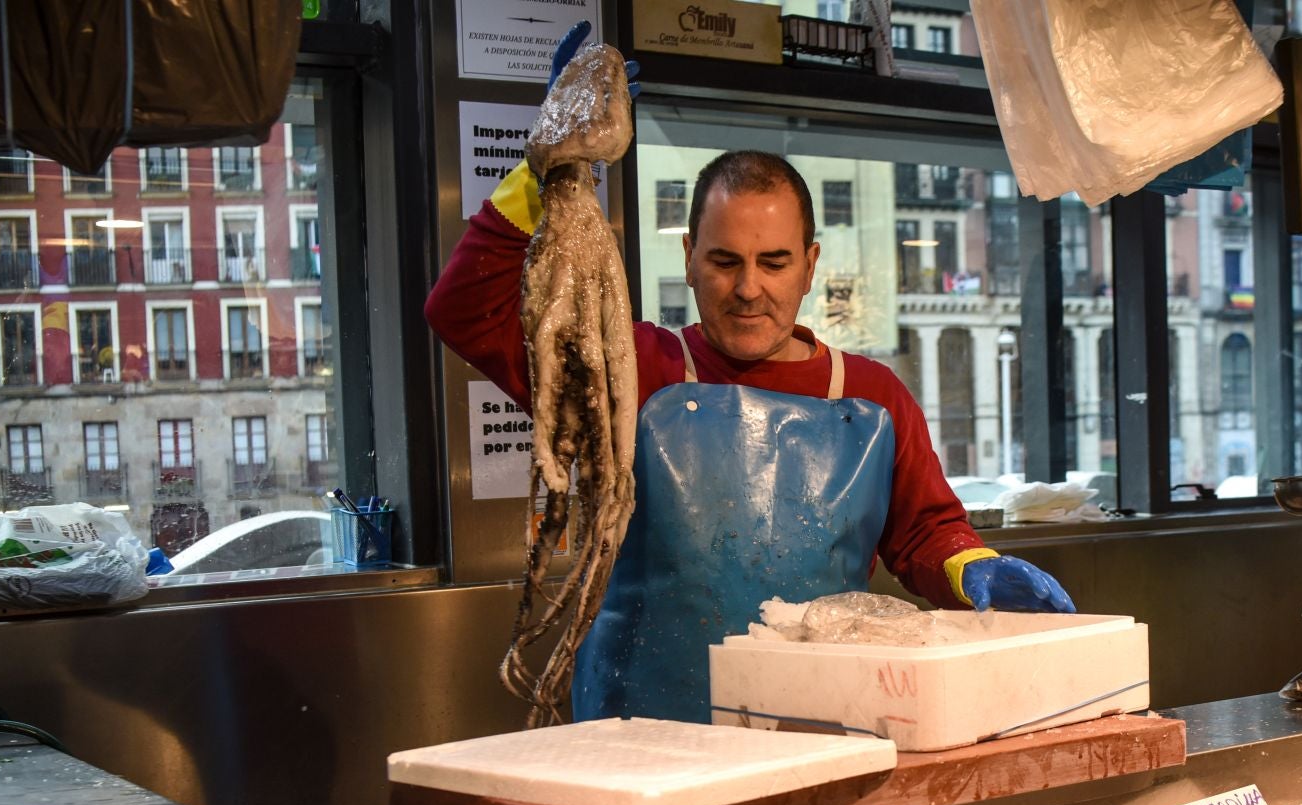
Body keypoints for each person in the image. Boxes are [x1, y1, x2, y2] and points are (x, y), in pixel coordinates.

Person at [425, 22, 1076, 723]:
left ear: (810, 266)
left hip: (819, 720)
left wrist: (970, 568)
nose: (748, 289)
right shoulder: (634, 369)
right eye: (725, 261)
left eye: (773, 263)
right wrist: (544, 170)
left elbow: (924, 534)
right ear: (689, 259)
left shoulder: (873, 395)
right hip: (638, 727)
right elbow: (464, 311)